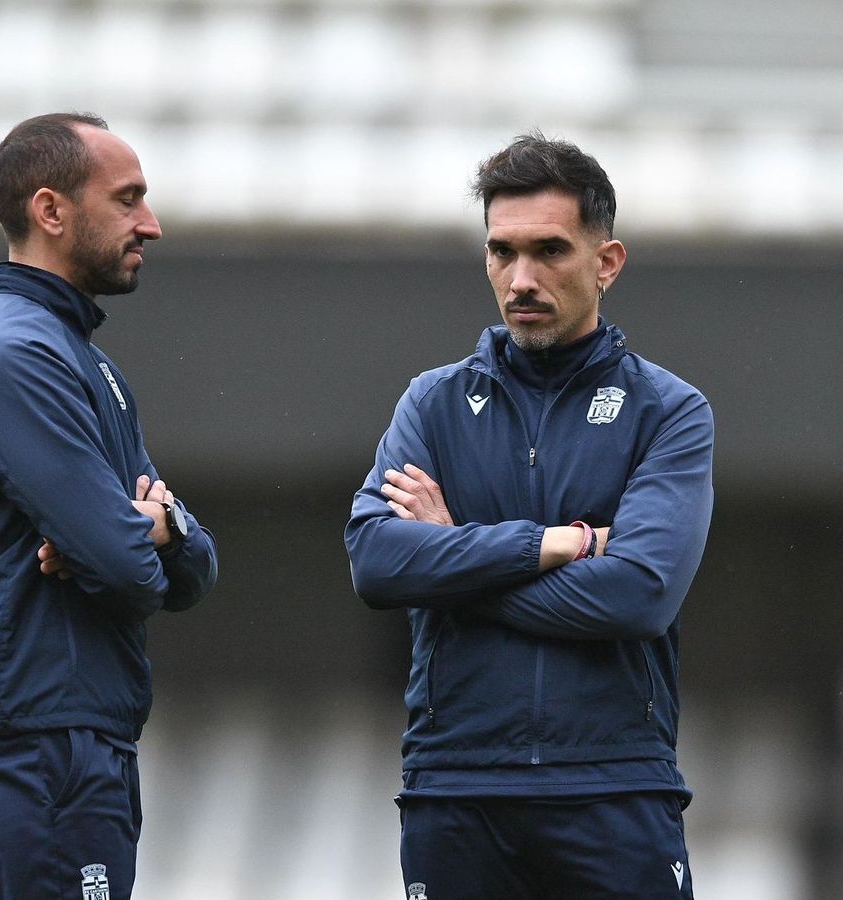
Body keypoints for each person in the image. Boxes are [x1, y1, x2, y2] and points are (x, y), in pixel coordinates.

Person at [344, 132, 713, 900]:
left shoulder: (668, 412)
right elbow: (377, 562)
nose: (521, 278)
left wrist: (452, 560)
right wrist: (552, 546)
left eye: (549, 250)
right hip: (457, 782)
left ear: (606, 261)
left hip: (612, 784)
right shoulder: (433, 403)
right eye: (501, 252)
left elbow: (638, 594)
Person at [0, 112, 218, 900]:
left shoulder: (85, 361)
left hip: (75, 737)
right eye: (127, 199)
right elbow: (128, 566)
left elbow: (191, 563)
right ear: (51, 211)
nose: (149, 224)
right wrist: (130, 539)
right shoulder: (11, 352)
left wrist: (153, 531)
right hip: (28, 739)